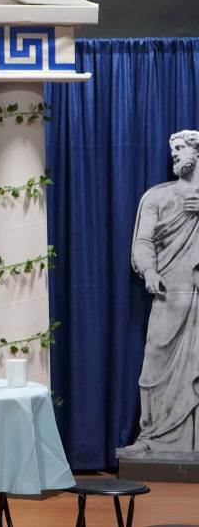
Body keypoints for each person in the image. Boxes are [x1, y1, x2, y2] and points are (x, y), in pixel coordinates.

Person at [126, 129, 199, 453]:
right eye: (173, 149)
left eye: (181, 148)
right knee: (155, 360)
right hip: (171, 293)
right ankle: (153, 436)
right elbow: (143, 242)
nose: (175, 154)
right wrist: (150, 270)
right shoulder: (156, 196)